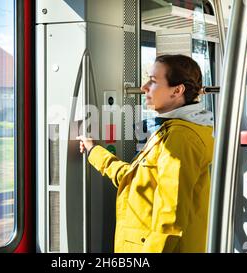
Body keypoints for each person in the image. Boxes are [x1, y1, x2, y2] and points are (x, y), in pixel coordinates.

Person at [77, 54, 214, 253]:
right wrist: (94, 151)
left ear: (177, 90)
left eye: (153, 81)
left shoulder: (181, 138)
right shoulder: (174, 131)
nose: (144, 88)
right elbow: (135, 179)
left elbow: (170, 218)